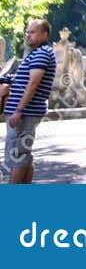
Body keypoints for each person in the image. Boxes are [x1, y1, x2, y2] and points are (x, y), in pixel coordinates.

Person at [1, 20, 56, 184]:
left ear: (44, 34)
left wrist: (18, 110)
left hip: (25, 113)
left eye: (33, 32)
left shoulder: (41, 54)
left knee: (18, 155)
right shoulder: (37, 53)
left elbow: (33, 84)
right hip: (27, 112)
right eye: (27, 32)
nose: (28, 35)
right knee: (25, 155)